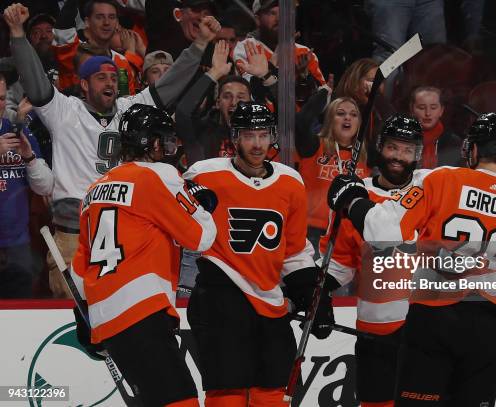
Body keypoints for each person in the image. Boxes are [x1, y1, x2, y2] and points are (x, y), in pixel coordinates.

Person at [328, 112, 496, 406]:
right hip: (488, 328)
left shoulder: (442, 180)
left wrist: (352, 200)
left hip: (433, 321)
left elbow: (384, 229)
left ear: (475, 148)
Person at [5, 2, 220, 298]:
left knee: (119, 309)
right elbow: (35, 81)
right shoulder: (64, 110)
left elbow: (169, 86)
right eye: (100, 77)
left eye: (112, 76)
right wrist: (17, 33)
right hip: (74, 233)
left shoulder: (129, 108)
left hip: (123, 229)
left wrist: (200, 44)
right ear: (83, 84)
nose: (109, 82)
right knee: (71, 312)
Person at [182, 101, 335, 407]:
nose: (257, 144)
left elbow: (294, 250)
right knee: (226, 393)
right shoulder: (204, 175)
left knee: (275, 390)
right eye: (249, 135)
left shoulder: (290, 181)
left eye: (263, 135)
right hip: (220, 300)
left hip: (270, 302)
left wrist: (315, 298)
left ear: (272, 137)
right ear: (235, 137)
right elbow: (180, 228)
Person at [70, 104, 218, 407]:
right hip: (141, 311)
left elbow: (78, 272)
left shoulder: (94, 190)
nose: (167, 147)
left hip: (107, 320)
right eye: (163, 139)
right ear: (151, 143)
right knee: (182, 402)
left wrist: (85, 316)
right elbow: (202, 238)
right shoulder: (158, 175)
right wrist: (197, 203)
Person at [320, 114, 428, 407]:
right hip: (375, 329)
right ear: (380, 147)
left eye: (408, 150)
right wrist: (318, 294)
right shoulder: (354, 193)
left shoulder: (432, 189)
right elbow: (340, 262)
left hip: (427, 328)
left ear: (418, 154)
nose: (399, 157)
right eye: (393, 147)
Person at [295, 97, 370, 257]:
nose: (347, 118)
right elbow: (300, 123)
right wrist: (322, 95)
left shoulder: (365, 155)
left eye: (354, 115)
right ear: (330, 119)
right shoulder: (315, 145)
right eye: (340, 113)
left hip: (349, 233)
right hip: (312, 231)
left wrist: (374, 95)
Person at [0, 75, 54, 299]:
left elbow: (46, 186)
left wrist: (29, 157)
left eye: (1, 98)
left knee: (17, 321)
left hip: (17, 245)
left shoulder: (17, 132)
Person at [52, 0, 142, 94]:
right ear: (87, 22)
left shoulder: (122, 62)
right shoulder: (75, 52)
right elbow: (62, 30)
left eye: (111, 17)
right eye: (99, 17)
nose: (106, 22)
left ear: (117, 23)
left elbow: (128, 103)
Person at [409, 86, 463, 168]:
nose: (428, 113)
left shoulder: (454, 143)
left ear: (441, 111)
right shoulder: (403, 140)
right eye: (422, 108)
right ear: (412, 110)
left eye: (433, 108)